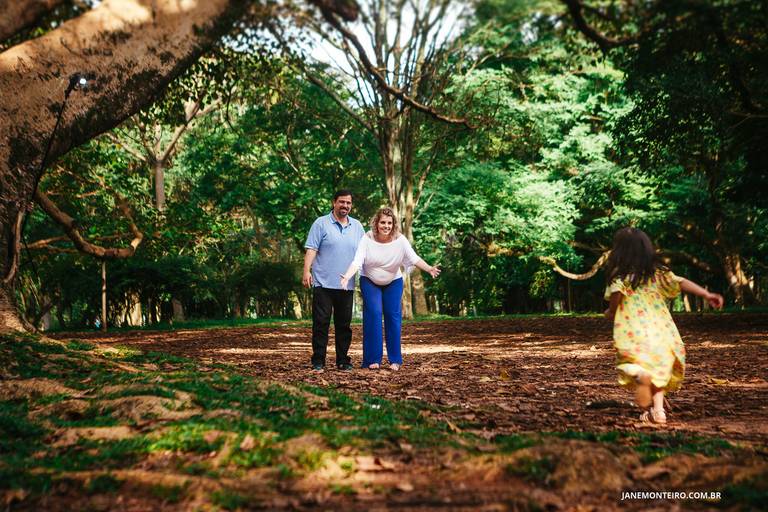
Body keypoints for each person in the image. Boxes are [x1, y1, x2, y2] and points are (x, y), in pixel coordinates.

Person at [603, 227, 724, 424]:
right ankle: (658, 412)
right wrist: (706, 294)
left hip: (632, 332)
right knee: (658, 371)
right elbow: (681, 282)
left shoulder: (619, 277)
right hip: (662, 333)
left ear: (619, 251)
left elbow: (615, 302)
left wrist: (610, 312)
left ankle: (640, 375)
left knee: (630, 364)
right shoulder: (657, 274)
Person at [340, 207, 440, 371]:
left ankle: (395, 360)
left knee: (393, 316)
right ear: (376, 223)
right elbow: (357, 261)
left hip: (393, 281)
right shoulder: (367, 238)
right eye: (382, 222)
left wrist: (429, 268)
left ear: (393, 224)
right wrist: (346, 276)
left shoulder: (400, 240)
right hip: (369, 280)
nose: (386, 226)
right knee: (374, 313)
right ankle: (372, 359)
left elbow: (414, 258)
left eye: (389, 223)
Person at [304, 190, 365, 371]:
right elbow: (311, 249)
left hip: (346, 285)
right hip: (323, 283)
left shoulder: (357, 226)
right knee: (321, 323)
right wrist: (306, 271)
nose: (345, 205)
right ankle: (318, 360)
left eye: (348, 203)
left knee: (344, 325)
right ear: (334, 202)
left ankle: (343, 360)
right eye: (342, 202)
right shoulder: (320, 223)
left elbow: (364, 253)